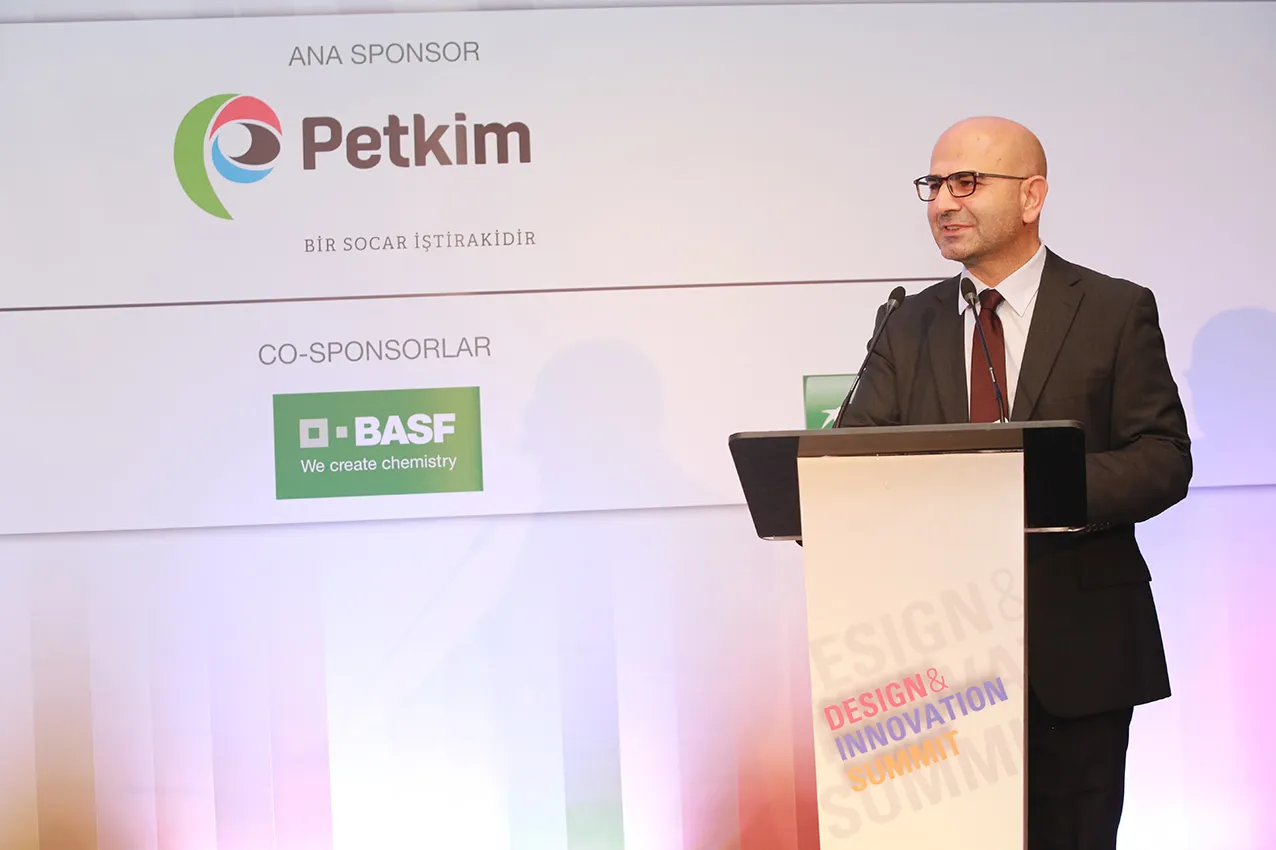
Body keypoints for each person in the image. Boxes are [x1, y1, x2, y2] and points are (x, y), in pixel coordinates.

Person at [840, 116, 1192, 849]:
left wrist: (1031, 486)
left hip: (1078, 652)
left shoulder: (1114, 310)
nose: (944, 201)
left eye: (966, 182)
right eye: (934, 184)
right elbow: (850, 462)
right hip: (934, 663)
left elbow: (1161, 459)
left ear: (1031, 197)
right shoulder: (907, 323)